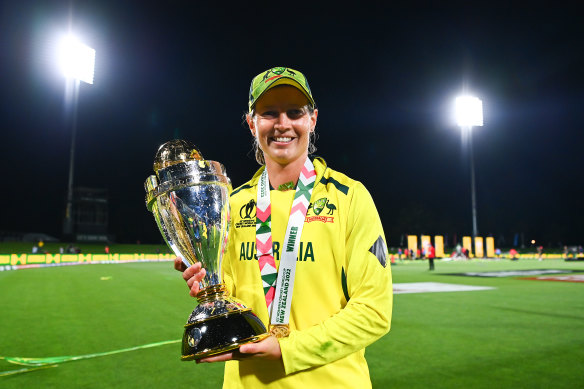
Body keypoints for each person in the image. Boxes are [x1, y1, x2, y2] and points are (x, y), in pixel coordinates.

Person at [174, 67, 392, 388]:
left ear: (312, 120)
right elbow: (229, 295)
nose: (283, 124)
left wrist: (287, 349)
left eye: (294, 112)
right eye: (269, 113)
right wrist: (206, 283)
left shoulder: (349, 198)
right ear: (251, 123)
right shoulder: (230, 206)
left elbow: (373, 312)